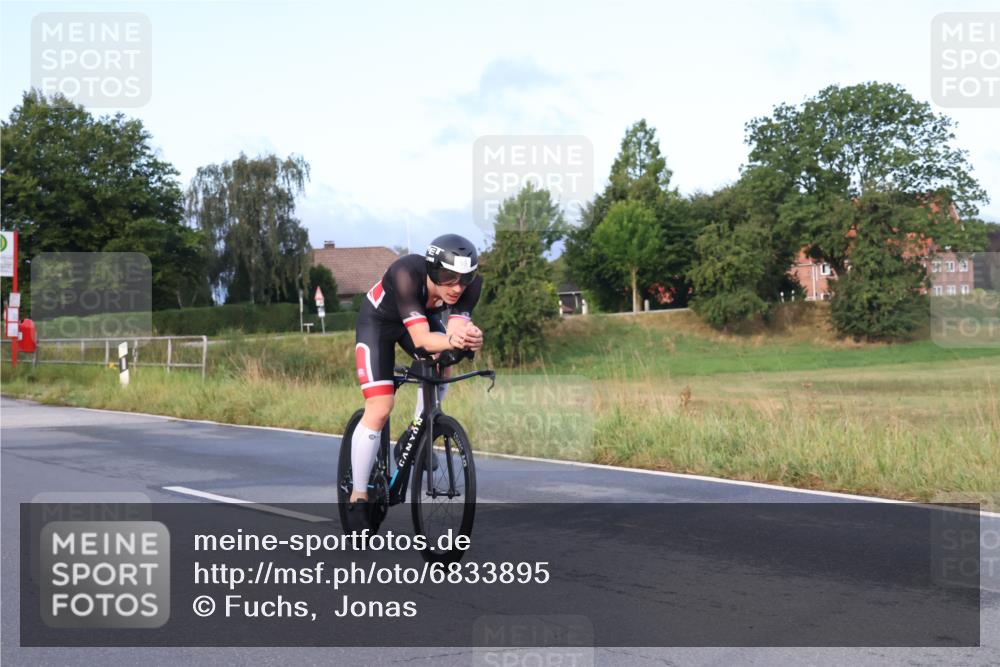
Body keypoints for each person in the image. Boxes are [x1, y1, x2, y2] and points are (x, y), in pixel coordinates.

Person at [348, 234, 484, 528]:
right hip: (379, 324)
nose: (457, 288)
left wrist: (469, 339)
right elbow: (422, 338)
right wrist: (452, 338)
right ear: (433, 269)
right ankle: (359, 495)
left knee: (446, 357)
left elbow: (455, 331)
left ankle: (414, 432)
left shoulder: (469, 288)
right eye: (449, 278)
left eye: (465, 279)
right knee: (380, 407)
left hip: (415, 322)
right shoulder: (406, 273)